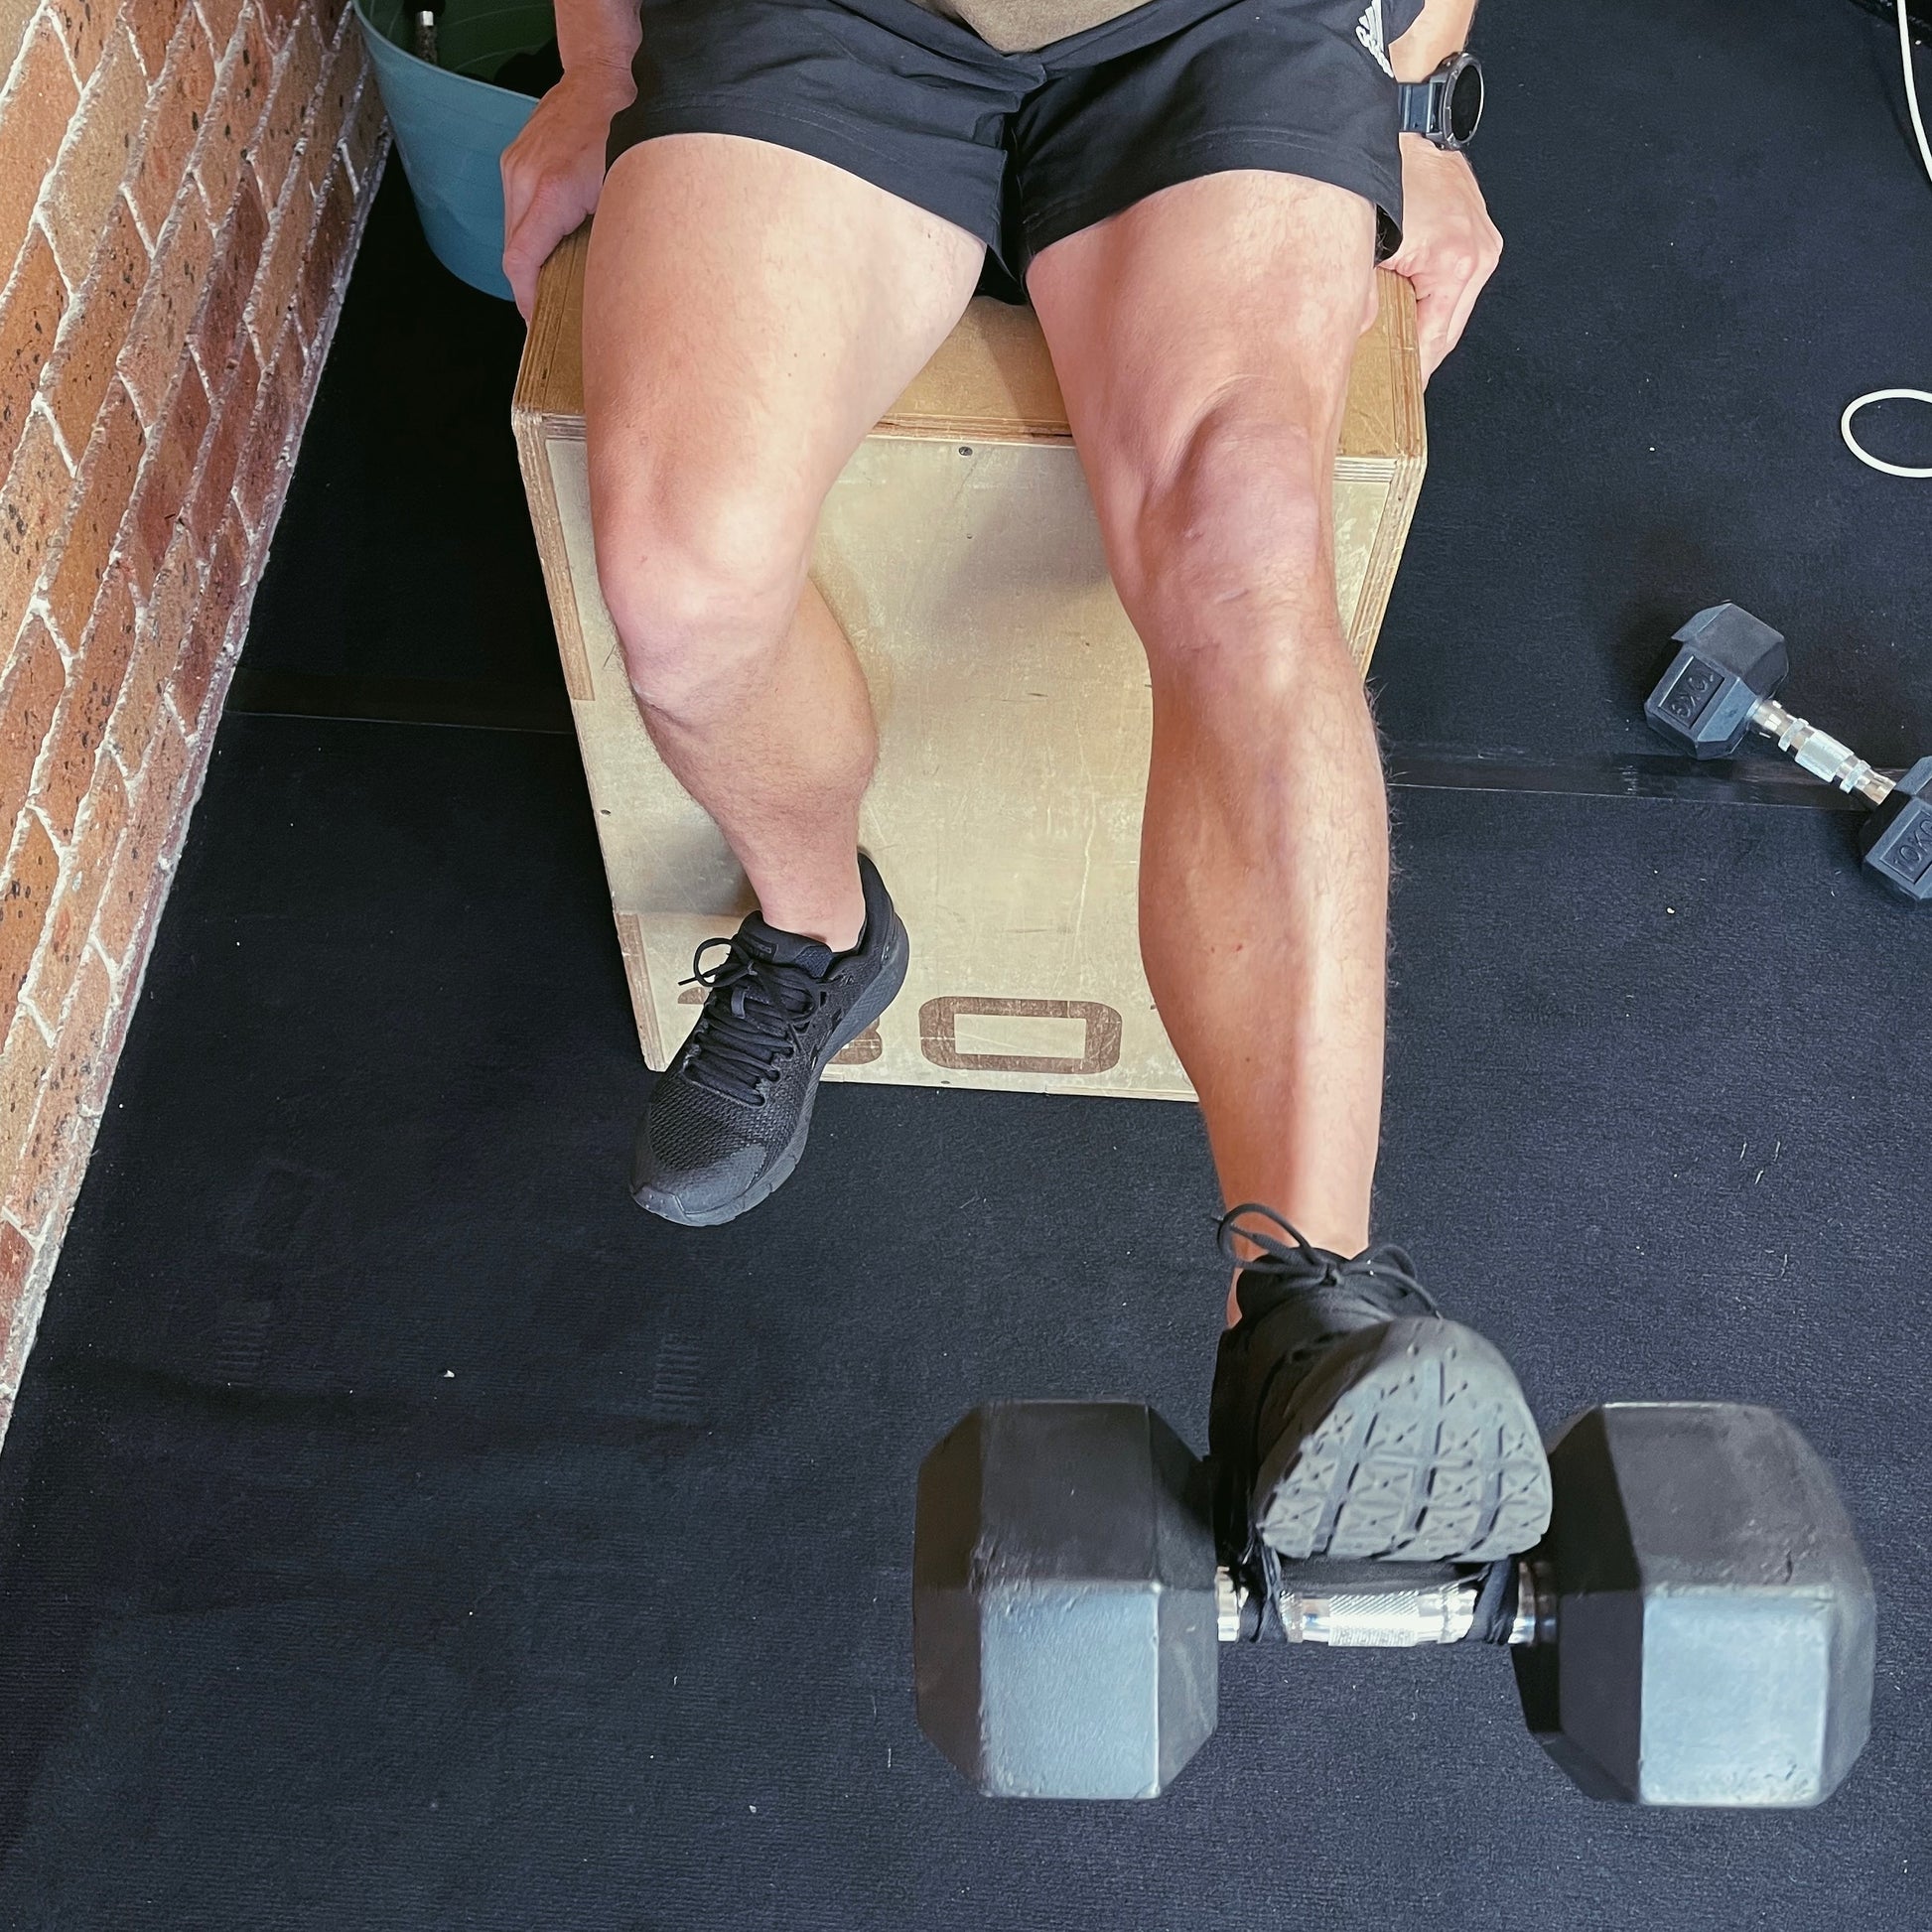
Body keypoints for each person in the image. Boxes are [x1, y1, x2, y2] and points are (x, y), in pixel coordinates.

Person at [500, 0, 1552, 1570]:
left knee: (1246, 526)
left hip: (1214, 24)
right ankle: (817, 931)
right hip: (830, 21)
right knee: (678, 576)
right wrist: (599, 62)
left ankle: (1308, 1317)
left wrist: (1409, 110)